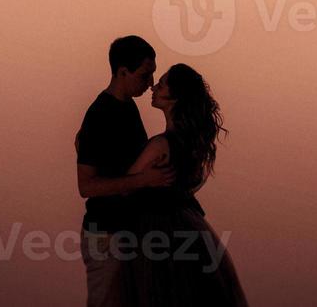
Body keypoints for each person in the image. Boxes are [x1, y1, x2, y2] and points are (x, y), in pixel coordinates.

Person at [121, 64, 249, 305]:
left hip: (156, 232)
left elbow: (126, 186)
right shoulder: (192, 145)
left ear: (175, 96)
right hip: (190, 228)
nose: (154, 87)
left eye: (162, 84)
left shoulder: (161, 146)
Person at [75, 36, 175, 307]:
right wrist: (144, 179)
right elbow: (87, 186)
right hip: (105, 233)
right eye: (144, 75)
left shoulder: (127, 107)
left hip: (125, 233)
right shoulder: (100, 114)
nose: (150, 83)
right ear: (122, 72)